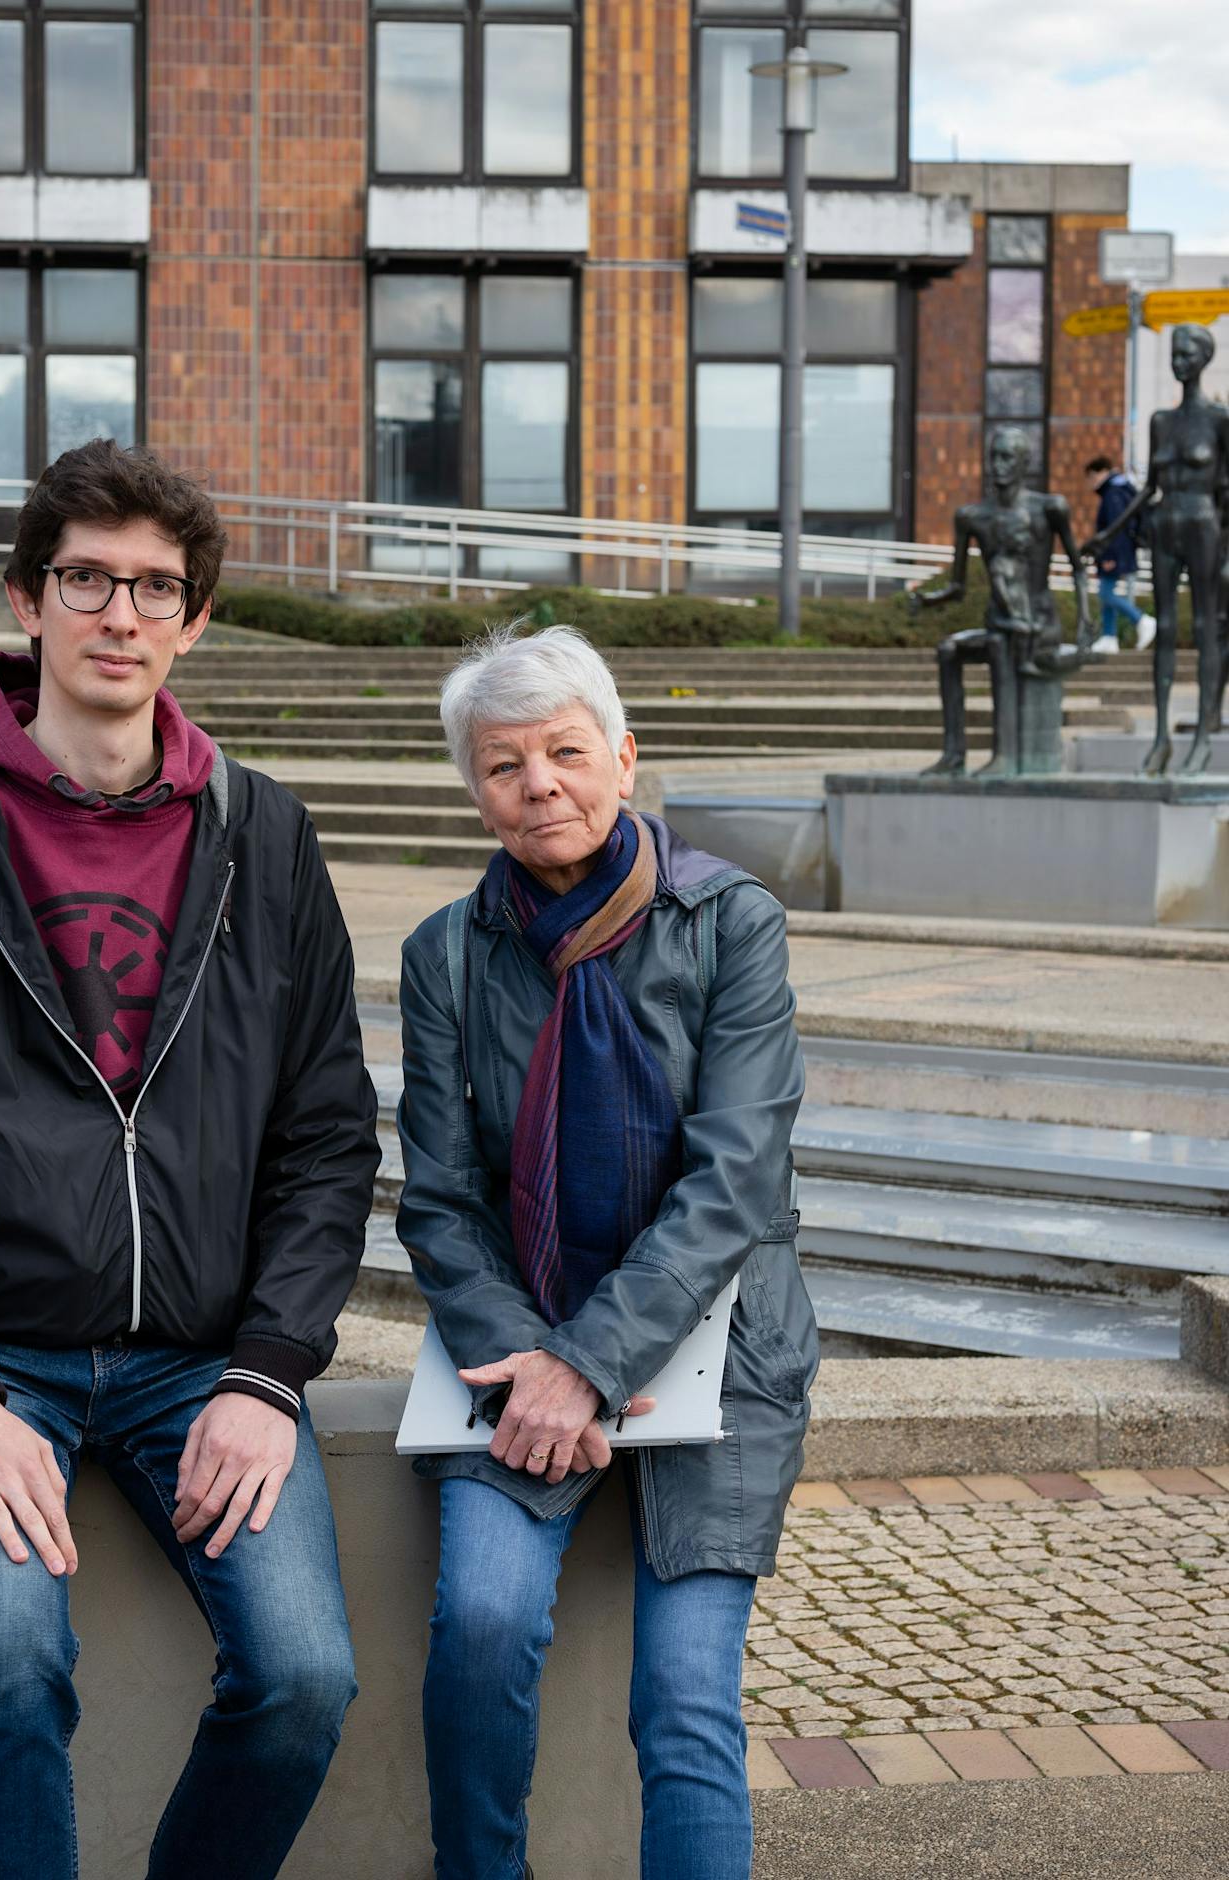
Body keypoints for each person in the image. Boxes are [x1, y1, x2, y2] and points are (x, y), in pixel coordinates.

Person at [0, 438, 379, 1880]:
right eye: (88, 579)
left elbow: (327, 1131)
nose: (121, 614)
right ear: (26, 599)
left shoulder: (266, 838)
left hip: (205, 1361)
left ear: (196, 620)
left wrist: (270, 1369)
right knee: (5, 1658)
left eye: (155, 587)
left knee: (302, 1679)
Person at [396, 623, 814, 1880]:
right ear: (473, 788)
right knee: (475, 1628)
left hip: (722, 1338)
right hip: (513, 1343)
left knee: (682, 1695)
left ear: (622, 758)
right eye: (503, 765)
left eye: (566, 753)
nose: (539, 786)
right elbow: (437, 1197)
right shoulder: (444, 956)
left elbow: (734, 1175)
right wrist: (536, 1360)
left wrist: (589, 1358)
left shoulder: (730, 921)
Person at [1082, 323, 1229, 775]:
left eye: (1187, 354)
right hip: (1166, 525)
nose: (1178, 362)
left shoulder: (1219, 421)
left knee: (1204, 627)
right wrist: (1111, 534)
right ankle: (1162, 738)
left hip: (1204, 524)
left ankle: (1204, 736)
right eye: (1174, 354)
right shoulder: (1161, 422)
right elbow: (1148, 489)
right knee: (1165, 629)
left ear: (1204, 359)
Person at [909, 424, 1094, 777]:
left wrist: (1084, 617)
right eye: (993, 456)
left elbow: (1078, 568)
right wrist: (928, 600)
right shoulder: (972, 517)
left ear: (1025, 462)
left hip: (1039, 627)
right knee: (949, 650)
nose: (998, 465)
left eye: (1007, 457)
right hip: (1001, 621)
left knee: (998, 646)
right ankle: (953, 754)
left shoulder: (1050, 508)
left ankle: (1005, 756)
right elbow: (959, 586)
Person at [1084, 455, 1155, 655]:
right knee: (1106, 592)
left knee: (1106, 593)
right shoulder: (1118, 489)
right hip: (1118, 551)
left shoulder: (1113, 493)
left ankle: (1141, 619)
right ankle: (1109, 636)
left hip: (1114, 552)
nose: (1091, 483)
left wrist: (1109, 556)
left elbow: (1116, 528)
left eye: (1091, 477)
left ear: (1100, 472)